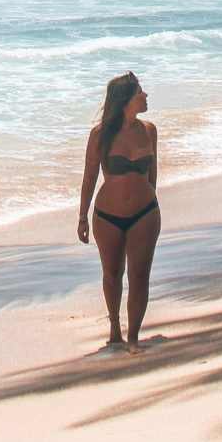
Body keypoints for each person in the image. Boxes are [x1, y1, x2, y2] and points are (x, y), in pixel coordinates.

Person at [77, 70, 160, 351]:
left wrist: (149, 202)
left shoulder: (148, 131)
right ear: (126, 99)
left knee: (140, 275)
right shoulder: (100, 135)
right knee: (112, 274)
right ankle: (115, 329)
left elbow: (153, 176)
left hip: (145, 214)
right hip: (107, 217)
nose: (145, 96)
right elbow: (89, 177)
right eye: (140, 93)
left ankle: (134, 336)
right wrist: (81, 217)